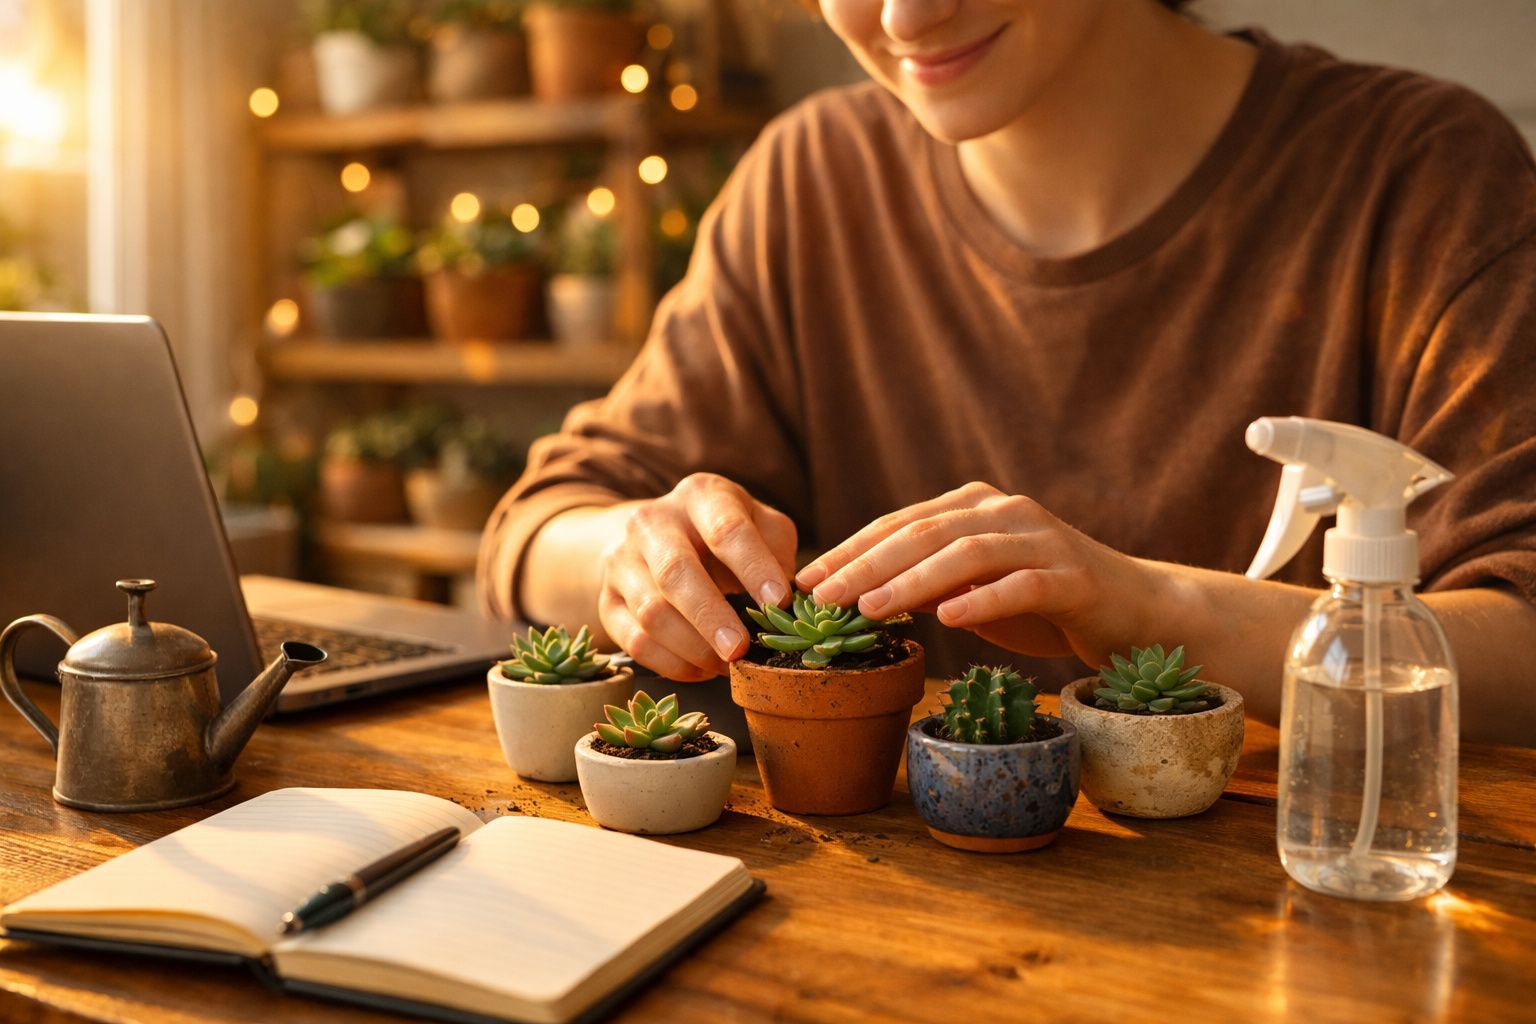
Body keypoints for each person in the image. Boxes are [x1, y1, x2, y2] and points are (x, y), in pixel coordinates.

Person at [479, 0, 1536, 746]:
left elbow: (1521, 639)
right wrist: (630, 551)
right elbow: (534, 528)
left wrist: (1156, 605)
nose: (899, 15)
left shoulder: (1420, 173)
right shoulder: (809, 179)